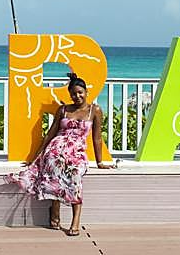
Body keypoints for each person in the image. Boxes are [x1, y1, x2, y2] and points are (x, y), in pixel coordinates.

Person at [6, 72, 111, 236]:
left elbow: (97, 138)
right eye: (73, 94)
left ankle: (75, 221)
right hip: (56, 149)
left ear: (86, 92)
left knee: (75, 174)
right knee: (55, 170)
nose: (77, 96)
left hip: (76, 152)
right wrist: (35, 157)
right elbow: (50, 134)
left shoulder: (94, 110)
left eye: (80, 92)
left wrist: (99, 162)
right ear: (69, 95)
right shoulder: (63, 110)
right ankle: (55, 209)